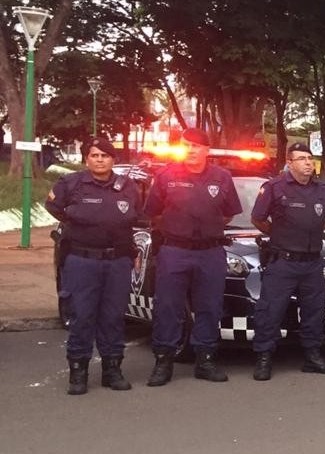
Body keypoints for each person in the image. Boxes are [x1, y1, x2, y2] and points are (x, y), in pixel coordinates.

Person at [143, 128, 243, 385]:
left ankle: (205, 360)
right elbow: (154, 213)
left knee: (209, 307)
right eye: (186, 145)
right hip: (175, 250)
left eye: (196, 146)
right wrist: (178, 228)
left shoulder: (222, 177)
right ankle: (163, 361)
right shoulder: (166, 176)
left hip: (210, 251)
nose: (190, 150)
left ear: (206, 150)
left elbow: (229, 213)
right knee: (168, 307)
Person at [45, 138, 141, 395]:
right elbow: (53, 207)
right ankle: (79, 372)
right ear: (86, 159)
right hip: (82, 260)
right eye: (94, 155)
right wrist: (78, 223)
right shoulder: (71, 183)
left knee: (113, 317)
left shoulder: (128, 186)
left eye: (105, 155)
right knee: (82, 316)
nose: (100, 159)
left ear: (113, 159)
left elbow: (136, 216)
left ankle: (112, 370)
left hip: (117, 262)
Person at [248, 142, 325, 381]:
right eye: (302, 159)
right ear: (290, 163)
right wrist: (280, 233)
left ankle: (312, 356)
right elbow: (258, 218)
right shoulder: (274, 187)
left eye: (310, 158)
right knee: (271, 310)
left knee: (314, 311)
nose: (308, 162)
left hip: (312, 262)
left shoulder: (322, 190)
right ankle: (264, 357)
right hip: (283, 261)